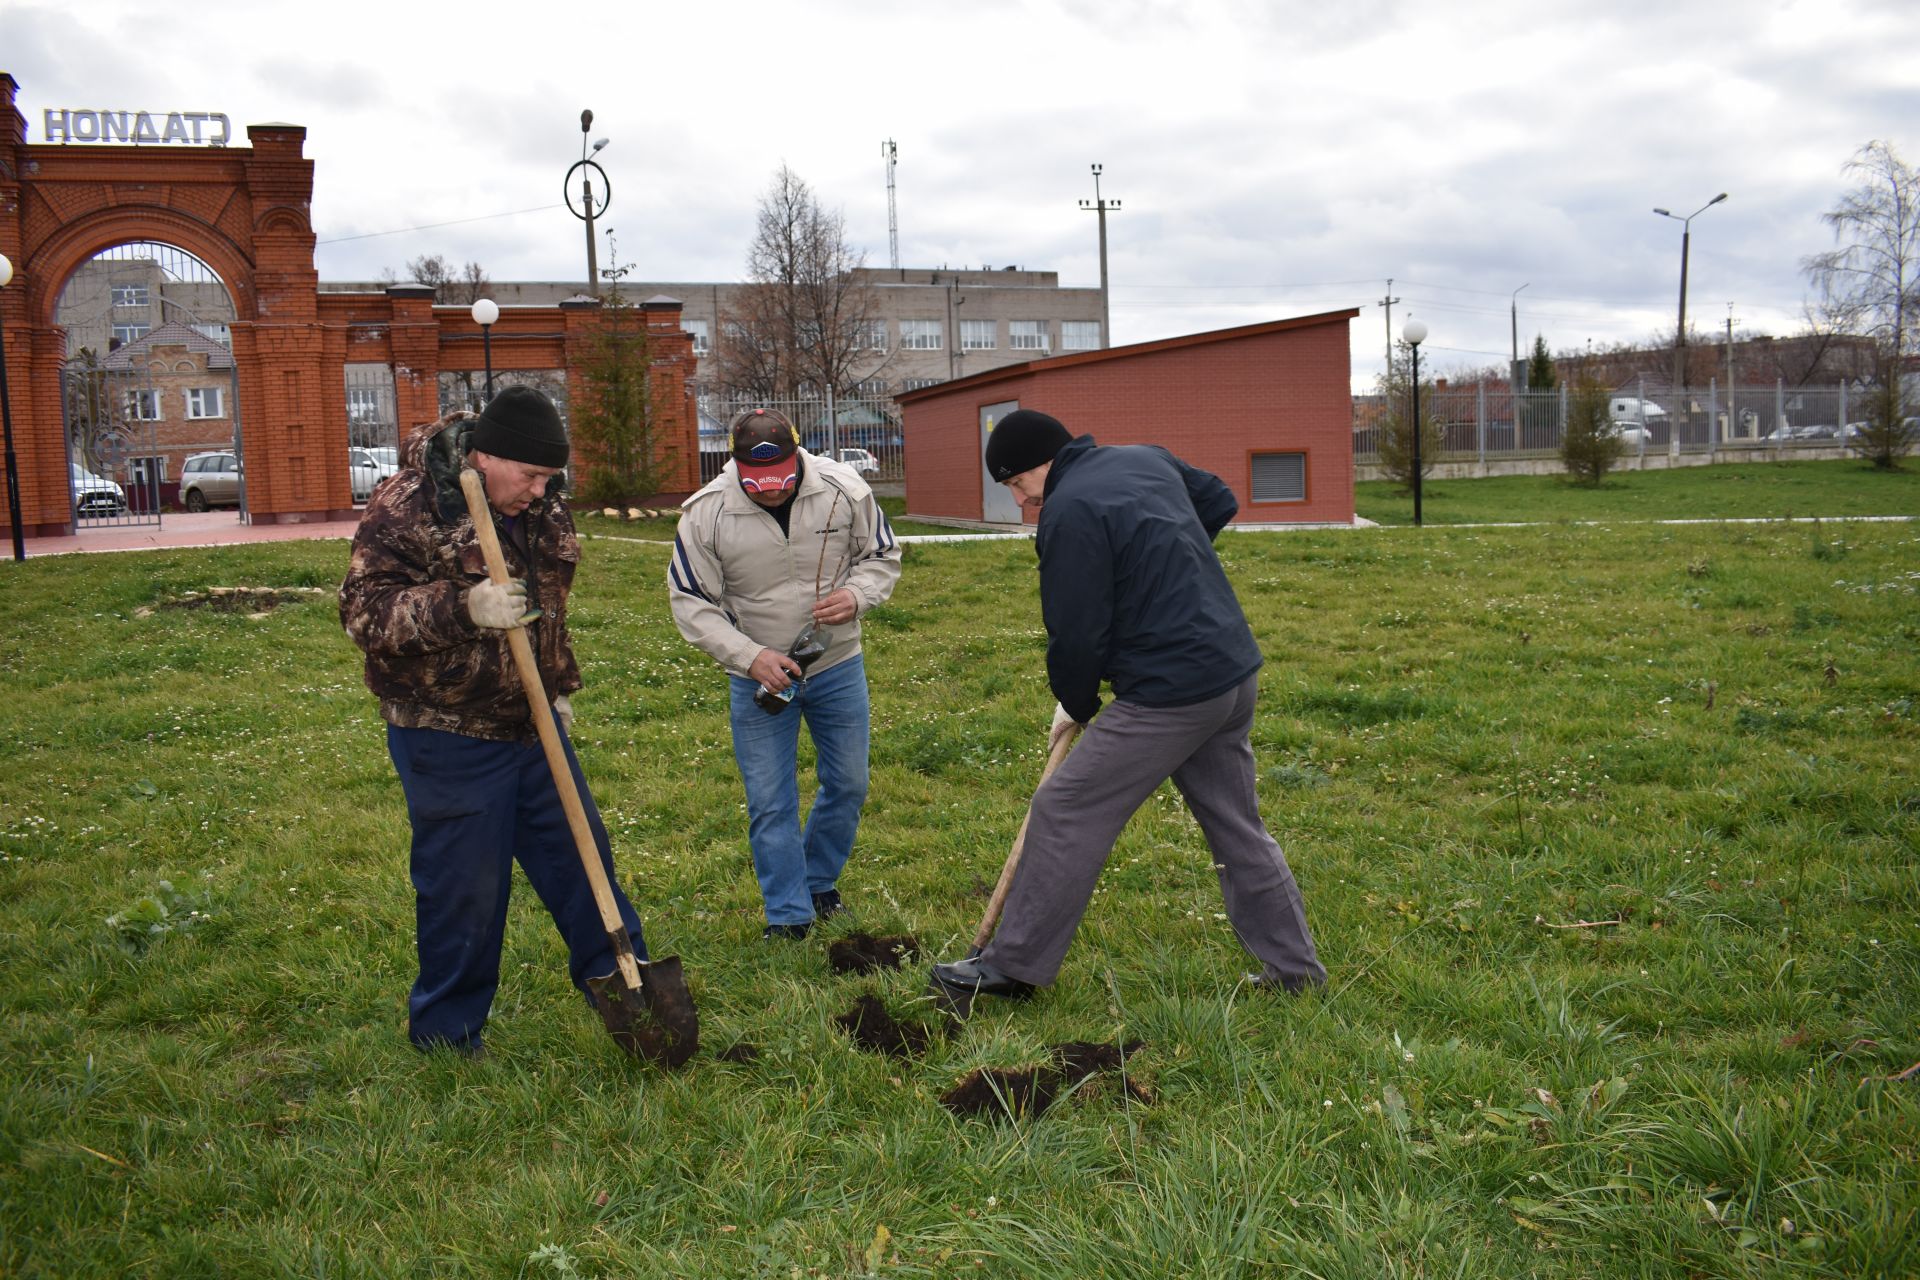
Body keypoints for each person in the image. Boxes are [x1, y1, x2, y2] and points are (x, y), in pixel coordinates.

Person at [930, 409, 1325, 1004]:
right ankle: (1294, 973)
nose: (1020, 501)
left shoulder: (1068, 512)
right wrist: (1164, 569)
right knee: (1238, 828)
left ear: (1041, 464)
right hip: (1231, 675)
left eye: (1015, 485)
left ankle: (1011, 966)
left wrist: (1076, 699)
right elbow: (1217, 501)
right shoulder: (1146, 457)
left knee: (1065, 809)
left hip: (1171, 694)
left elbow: (1077, 629)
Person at [340, 387, 650, 1055]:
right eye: (531, 476)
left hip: (533, 724)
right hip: (445, 732)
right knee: (465, 894)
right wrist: (465, 607)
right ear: (485, 455)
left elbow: (550, 611)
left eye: (549, 478)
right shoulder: (407, 505)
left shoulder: (540, 507)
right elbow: (363, 615)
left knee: (584, 864)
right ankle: (448, 1037)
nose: (540, 493)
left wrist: (559, 687)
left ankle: (637, 1001)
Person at [668, 408, 901, 939]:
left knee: (848, 783)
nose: (771, 492)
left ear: (799, 457)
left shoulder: (846, 491)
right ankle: (788, 916)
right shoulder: (705, 514)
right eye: (758, 484)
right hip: (760, 676)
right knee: (771, 799)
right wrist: (750, 657)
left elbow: (882, 555)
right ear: (735, 465)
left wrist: (857, 595)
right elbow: (691, 601)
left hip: (837, 664)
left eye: (781, 481)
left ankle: (818, 885)